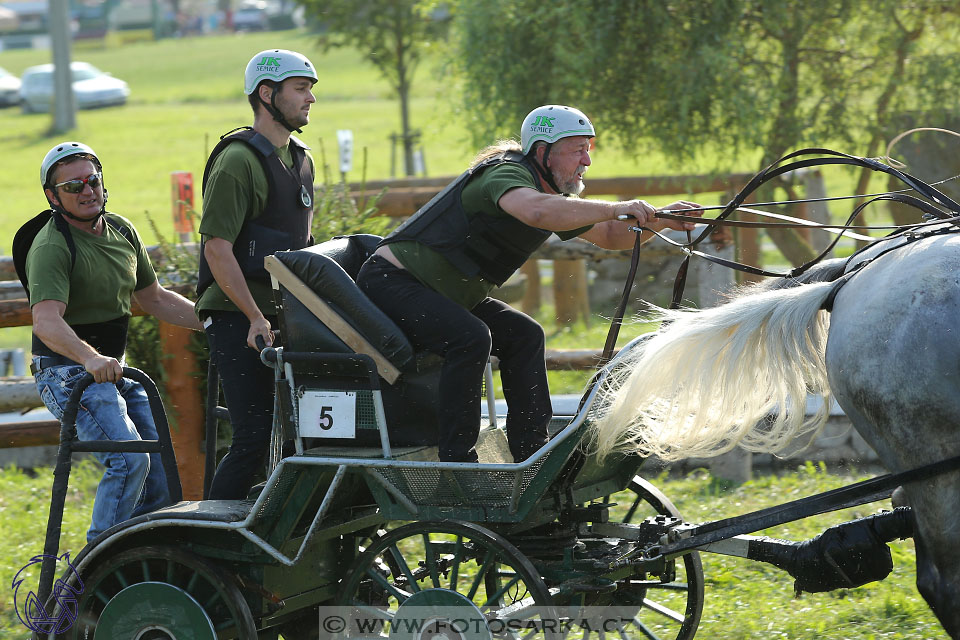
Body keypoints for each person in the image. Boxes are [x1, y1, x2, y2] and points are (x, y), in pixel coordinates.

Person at [356, 104, 702, 463]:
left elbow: (612, 236)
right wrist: (617, 206)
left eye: (588, 150)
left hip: (439, 291)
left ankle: (532, 453)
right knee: (470, 338)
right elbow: (536, 211)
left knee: (524, 334)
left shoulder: (552, 196)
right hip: (393, 284)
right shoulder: (505, 174)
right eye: (576, 151)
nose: (586, 162)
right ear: (542, 152)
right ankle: (458, 462)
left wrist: (661, 219)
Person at [24, 141, 202, 542]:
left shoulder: (122, 230)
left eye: (92, 181)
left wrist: (217, 323)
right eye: (72, 187)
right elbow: (45, 322)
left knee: (157, 466)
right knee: (126, 460)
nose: (87, 191)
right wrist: (90, 358)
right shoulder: (53, 246)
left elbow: (154, 298)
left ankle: (143, 558)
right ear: (53, 197)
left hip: (109, 369)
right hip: (67, 372)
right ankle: (93, 570)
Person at [196, 49, 318, 499]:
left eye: (310, 90)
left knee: (292, 443)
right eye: (300, 89)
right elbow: (217, 248)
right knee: (253, 439)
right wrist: (253, 317)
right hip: (236, 316)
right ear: (267, 94)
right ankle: (206, 547)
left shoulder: (301, 159)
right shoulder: (237, 161)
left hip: (280, 316)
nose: (310, 99)